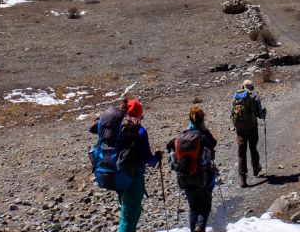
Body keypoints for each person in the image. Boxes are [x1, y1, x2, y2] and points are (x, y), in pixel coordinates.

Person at [90, 98, 162, 232]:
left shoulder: (111, 127)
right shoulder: (138, 131)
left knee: (128, 214)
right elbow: (147, 158)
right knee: (129, 218)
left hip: (113, 172)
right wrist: (157, 157)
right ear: (138, 115)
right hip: (132, 177)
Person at [166, 106, 218, 232]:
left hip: (185, 178)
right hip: (202, 178)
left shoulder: (181, 137)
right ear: (202, 119)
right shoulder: (202, 136)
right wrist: (205, 129)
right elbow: (213, 146)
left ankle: (194, 228)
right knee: (205, 206)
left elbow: (170, 152)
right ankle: (200, 226)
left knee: (193, 208)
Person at [231, 79, 267, 188]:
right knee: (253, 148)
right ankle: (256, 170)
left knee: (242, 152)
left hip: (240, 129)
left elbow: (232, 114)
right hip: (252, 127)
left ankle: (243, 179)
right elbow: (260, 115)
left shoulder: (236, 96)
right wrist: (264, 112)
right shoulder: (254, 97)